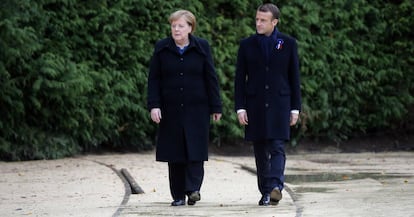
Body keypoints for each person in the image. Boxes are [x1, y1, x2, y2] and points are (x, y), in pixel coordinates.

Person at [147, 9, 222, 206]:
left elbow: (210, 77)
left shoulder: (202, 47)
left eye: (181, 26)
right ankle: (178, 195)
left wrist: (216, 106)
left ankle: (193, 189)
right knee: (175, 153)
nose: (176, 29)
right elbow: (154, 79)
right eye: (174, 26)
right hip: (171, 109)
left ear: (190, 28)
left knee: (196, 151)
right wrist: (154, 105)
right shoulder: (162, 48)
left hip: (197, 108)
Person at [234, 3, 301, 206]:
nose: (258, 23)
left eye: (263, 20)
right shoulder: (247, 45)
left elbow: (294, 78)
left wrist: (295, 108)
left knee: (277, 146)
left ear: (275, 22)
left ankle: (275, 187)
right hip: (254, 105)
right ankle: (265, 192)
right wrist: (240, 107)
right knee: (260, 150)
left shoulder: (288, 43)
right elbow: (239, 79)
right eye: (257, 19)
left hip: (280, 104)